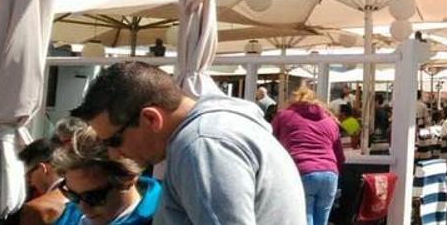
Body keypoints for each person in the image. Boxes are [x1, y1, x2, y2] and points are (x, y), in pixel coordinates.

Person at [71, 62, 305, 224]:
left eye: (114, 140)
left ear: (151, 118)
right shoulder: (217, 131)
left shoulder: (202, 145)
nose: (113, 154)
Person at [51, 127, 161, 225]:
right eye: (72, 195)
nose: (83, 208)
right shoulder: (67, 217)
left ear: (128, 178)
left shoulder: (165, 217)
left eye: (94, 198)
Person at [272, 85, 344, 225]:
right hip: (330, 174)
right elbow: (340, 156)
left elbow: (270, 143)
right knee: (321, 220)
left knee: (304, 218)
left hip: (302, 171)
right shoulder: (330, 121)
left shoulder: (284, 116)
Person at [17, 138, 80, 225]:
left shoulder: (36, 209)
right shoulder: (88, 197)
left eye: (29, 174)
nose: (29, 181)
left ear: (43, 169)